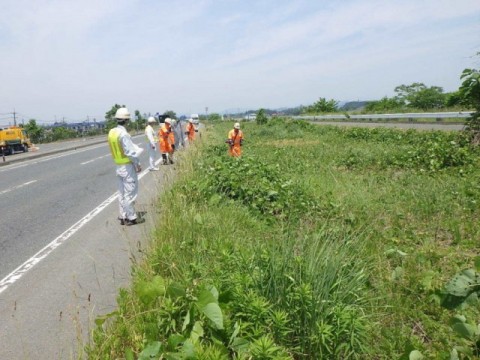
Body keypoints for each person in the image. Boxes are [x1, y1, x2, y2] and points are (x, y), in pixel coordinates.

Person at [107, 107, 143, 225]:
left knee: (121, 193)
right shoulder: (124, 134)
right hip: (127, 167)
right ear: (127, 121)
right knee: (130, 192)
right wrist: (137, 164)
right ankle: (131, 217)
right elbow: (130, 152)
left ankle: (122, 216)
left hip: (118, 166)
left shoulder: (112, 132)